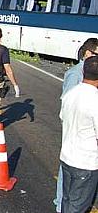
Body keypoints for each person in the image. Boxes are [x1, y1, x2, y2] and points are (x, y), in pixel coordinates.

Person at [54, 38, 98, 213]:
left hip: (68, 156)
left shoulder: (71, 95)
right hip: (85, 162)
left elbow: (63, 116)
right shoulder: (94, 99)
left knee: (68, 201)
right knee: (77, 206)